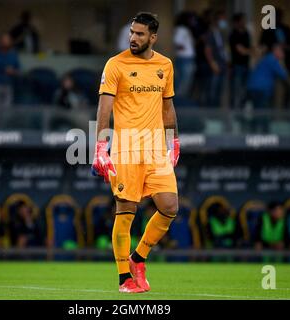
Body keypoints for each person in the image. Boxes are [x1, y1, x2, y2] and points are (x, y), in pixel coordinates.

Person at [91, 12, 180, 293]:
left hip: (155, 149)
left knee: (169, 207)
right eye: (132, 32)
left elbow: (168, 108)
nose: (133, 38)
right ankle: (123, 279)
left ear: (153, 37)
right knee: (126, 210)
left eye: (140, 34)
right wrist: (100, 147)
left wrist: (173, 141)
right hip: (127, 148)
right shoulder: (115, 64)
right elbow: (104, 108)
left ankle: (138, 258)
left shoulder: (165, 65)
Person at [246, 44, 288, 109]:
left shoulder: (267, 58)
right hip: (261, 90)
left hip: (252, 87)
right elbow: (284, 75)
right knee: (262, 114)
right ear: (276, 51)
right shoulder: (272, 60)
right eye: (282, 52)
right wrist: (282, 61)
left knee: (256, 112)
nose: (283, 54)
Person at [204, 10, 228, 107]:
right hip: (215, 65)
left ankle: (217, 111)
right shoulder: (211, 33)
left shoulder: (222, 34)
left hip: (222, 64)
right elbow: (207, 50)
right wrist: (212, 63)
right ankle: (211, 111)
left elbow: (224, 49)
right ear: (217, 21)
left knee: (219, 90)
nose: (224, 22)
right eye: (222, 20)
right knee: (212, 90)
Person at [260, 8, 290, 73]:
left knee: (284, 79)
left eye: (279, 16)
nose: (278, 18)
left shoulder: (286, 29)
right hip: (271, 61)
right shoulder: (267, 30)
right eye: (276, 16)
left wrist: (285, 47)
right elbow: (262, 45)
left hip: (285, 60)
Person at [229, 13, 251, 109]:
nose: (244, 22)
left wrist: (249, 51)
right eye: (242, 20)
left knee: (244, 90)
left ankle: (241, 111)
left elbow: (248, 48)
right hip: (237, 66)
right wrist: (252, 51)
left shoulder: (246, 33)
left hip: (246, 65)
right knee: (236, 90)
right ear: (237, 22)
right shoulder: (233, 34)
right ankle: (235, 111)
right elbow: (241, 50)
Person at [173, 12, 196, 98]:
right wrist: (184, 49)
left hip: (186, 58)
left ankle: (181, 99)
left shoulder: (184, 29)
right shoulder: (182, 29)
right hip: (185, 58)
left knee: (185, 80)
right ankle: (180, 101)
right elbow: (177, 42)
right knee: (184, 81)